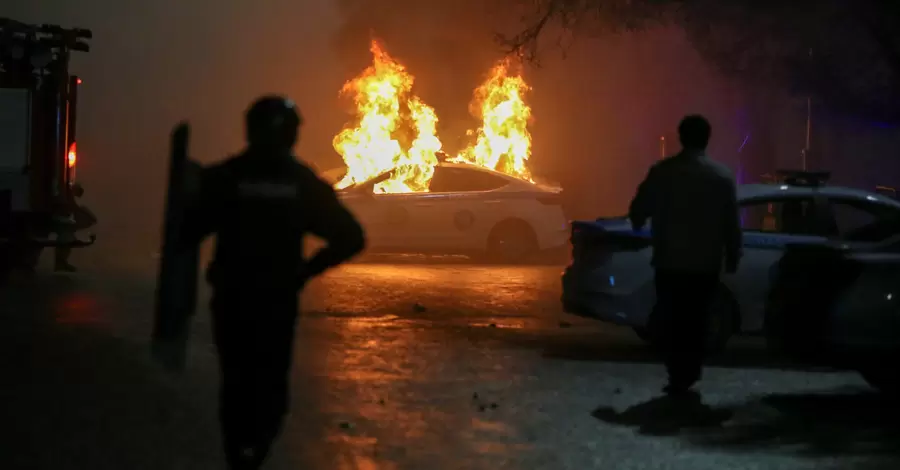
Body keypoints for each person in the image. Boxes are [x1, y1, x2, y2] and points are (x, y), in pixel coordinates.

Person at [180, 96, 366, 469]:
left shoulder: (227, 177)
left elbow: (186, 231)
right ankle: (256, 450)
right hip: (276, 301)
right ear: (293, 135)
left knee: (235, 379)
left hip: (232, 298)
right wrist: (304, 272)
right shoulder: (301, 183)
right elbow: (351, 236)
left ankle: (238, 454)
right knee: (270, 380)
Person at [628, 114, 742, 395]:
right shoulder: (721, 177)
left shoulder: (663, 172)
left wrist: (640, 221)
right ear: (707, 138)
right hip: (705, 264)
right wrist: (733, 253)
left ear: (680, 137)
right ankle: (689, 370)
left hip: (670, 262)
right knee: (697, 318)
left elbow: (639, 208)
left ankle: (678, 370)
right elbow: (731, 222)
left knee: (672, 317)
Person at [55, 182, 97, 272]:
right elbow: (73, 208)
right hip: (62, 221)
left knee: (66, 241)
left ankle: (61, 263)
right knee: (65, 240)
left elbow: (74, 208)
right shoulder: (66, 195)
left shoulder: (66, 195)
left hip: (63, 221)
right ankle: (60, 264)